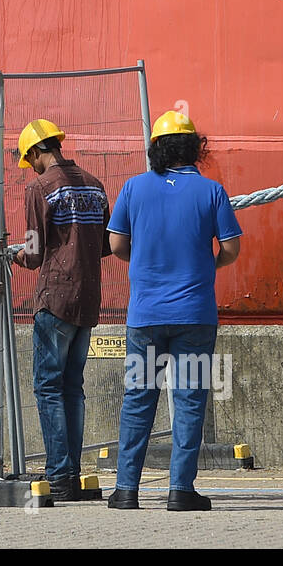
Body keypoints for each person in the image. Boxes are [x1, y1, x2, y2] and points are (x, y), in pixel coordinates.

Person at [105, 110, 241, 511]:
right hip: (194, 316)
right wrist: (202, 267)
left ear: (156, 149)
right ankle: (181, 490)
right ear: (195, 149)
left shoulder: (133, 188)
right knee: (189, 400)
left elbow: (115, 245)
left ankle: (126, 490)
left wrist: (147, 267)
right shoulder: (212, 191)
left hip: (145, 317)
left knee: (138, 399)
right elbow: (230, 249)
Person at [12, 119, 111, 502]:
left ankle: (60, 475)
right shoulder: (96, 185)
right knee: (73, 387)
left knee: (48, 387)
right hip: (88, 299)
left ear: (36, 152)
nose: (31, 165)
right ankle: (71, 473)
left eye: (29, 159)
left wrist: (18, 255)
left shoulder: (39, 188)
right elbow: (105, 244)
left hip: (54, 299)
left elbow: (34, 253)